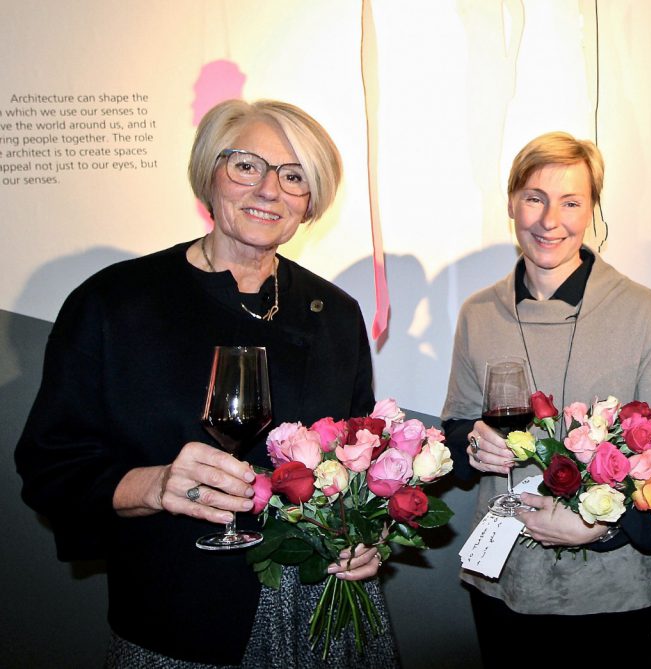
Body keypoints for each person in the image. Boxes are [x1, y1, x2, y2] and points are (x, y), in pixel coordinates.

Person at [16, 100, 398, 668]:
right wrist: (155, 484)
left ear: (310, 202)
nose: (269, 189)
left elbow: (361, 459)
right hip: (182, 612)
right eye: (247, 165)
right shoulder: (114, 303)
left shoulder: (336, 313)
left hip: (325, 610)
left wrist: (369, 535)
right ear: (209, 173)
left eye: (294, 177)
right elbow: (52, 470)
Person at [442, 132, 651, 666]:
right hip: (504, 583)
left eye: (571, 202)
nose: (550, 220)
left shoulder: (642, 312)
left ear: (592, 211)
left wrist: (596, 525)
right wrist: (472, 443)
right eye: (535, 197)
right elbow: (456, 427)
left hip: (610, 589)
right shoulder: (478, 314)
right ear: (511, 203)